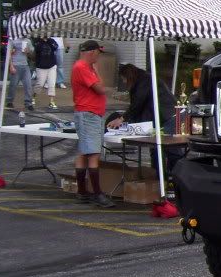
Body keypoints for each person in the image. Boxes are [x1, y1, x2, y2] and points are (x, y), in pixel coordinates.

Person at [107, 63, 181, 174]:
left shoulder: (144, 81)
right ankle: (160, 178)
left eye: (123, 79)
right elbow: (138, 105)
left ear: (128, 76)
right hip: (163, 116)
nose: (123, 82)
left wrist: (122, 119)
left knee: (167, 148)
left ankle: (169, 177)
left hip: (167, 117)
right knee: (157, 148)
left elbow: (137, 103)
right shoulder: (144, 80)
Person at [71, 40, 114, 207]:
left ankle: (82, 191)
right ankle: (97, 193)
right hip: (89, 114)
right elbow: (100, 89)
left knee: (84, 152)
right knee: (93, 154)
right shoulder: (82, 67)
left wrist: (95, 71)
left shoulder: (83, 67)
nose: (98, 56)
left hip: (88, 113)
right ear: (91, 52)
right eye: (97, 52)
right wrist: (98, 75)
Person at [6, 37, 34, 110]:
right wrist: (11, 66)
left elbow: (32, 55)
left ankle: (28, 103)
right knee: (13, 85)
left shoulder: (28, 40)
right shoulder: (13, 40)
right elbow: (9, 54)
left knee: (28, 85)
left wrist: (28, 52)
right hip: (15, 64)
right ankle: (9, 101)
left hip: (25, 65)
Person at [32, 36, 59, 110]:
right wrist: (42, 40)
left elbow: (55, 47)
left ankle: (51, 101)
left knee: (52, 84)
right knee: (40, 84)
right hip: (41, 66)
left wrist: (48, 40)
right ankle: (33, 97)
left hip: (52, 66)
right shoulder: (37, 41)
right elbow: (37, 49)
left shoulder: (52, 40)